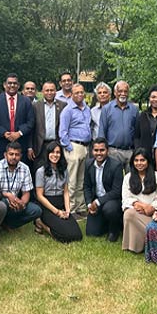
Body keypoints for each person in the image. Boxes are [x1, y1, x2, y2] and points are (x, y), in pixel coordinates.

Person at [34, 141, 84, 243]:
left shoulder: (64, 170)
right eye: (52, 152)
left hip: (60, 202)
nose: (55, 155)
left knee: (77, 235)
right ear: (47, 154)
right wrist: (57, 212)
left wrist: (68, 210)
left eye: (58, 152)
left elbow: (65, 192)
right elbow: (39, 196)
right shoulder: (41, 171)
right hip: (47, 204)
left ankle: (49, 223)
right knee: (64, 237)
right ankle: (40, 223)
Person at [0, 141, 44, 233]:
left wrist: (22, 203)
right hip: (0, 201)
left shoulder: (25, 168)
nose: (14, 157)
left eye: (17, 154)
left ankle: (8, 224)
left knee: (36, 210)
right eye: (11, 154)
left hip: (16, 202)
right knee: (3, 203)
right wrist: (7, 195)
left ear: (21, 156)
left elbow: (26, 192)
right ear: (5, 154)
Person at [0, 74, 37, 164]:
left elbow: (31, 121)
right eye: (9, 83)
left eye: (15, 83)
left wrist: (19, 133)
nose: (12, 85)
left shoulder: (26, 101)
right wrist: (4, 133)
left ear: (18, 85)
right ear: (4, 85)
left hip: (21, 143)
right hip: (1, 144)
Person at [60, 83, 94, 216]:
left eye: (81, 92)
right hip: (74, 147)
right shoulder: (68, 110)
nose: (79, 95)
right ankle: (72, 208)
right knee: (72, 180)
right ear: (72, 95)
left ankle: (81, 207)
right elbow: (62, 132)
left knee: (82, 179)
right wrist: (69, 147)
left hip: (86, 147)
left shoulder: (86, 108)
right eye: (76, 93)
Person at [120, 151, 157, 254]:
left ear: (148, 161)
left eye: (142, 160)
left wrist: (150, 208)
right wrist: (138, 204)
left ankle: (155, 240)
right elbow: (125, 199)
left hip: (153, 213)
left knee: (130, 215)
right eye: (136, 160)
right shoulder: (128, 177)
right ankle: (136, 246)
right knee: (129, 214)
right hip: (136, 211)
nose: (139, 163)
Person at [82, 138, 125, 242]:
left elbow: (116, 191)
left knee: (109, 209)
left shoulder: (116, 166)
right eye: (96, 150)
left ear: (107, 151)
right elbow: (86, 186)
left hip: (112, 201)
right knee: (92, 233)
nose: (99, 153)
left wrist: (97, 202)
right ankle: (106, 222)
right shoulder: (88, 164)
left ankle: (114, 230)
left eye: (102, 150)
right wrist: (89, 204)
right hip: (96, 200)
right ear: (92, 151)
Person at [100, 80, 139, 170]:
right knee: (114, 180)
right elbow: (102, 131)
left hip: (130, 151)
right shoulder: (107, 109)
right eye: (120, 91)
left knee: (131, 180)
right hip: (113, 151)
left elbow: (137, 131)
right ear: (115, 93)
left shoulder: (134, 109)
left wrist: (136, 150)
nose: (123, 94)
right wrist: (103, 150)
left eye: (125, 91)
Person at [133, 85, 157, 174]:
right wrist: (138, 150)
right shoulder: (143, 115)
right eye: (153, 97)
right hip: (145, 157)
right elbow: (137, 136)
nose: (156, 99)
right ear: (149, 98)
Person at [34, 77, 65, 160]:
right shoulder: (36, 106)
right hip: (40, 145)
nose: (49, 93)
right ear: (42, 92)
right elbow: (32, 128)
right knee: (40, 170)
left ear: (56, 91)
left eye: (52, 90)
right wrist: (30, 147)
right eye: (47, 90)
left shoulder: (63, 105)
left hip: (56, 144)